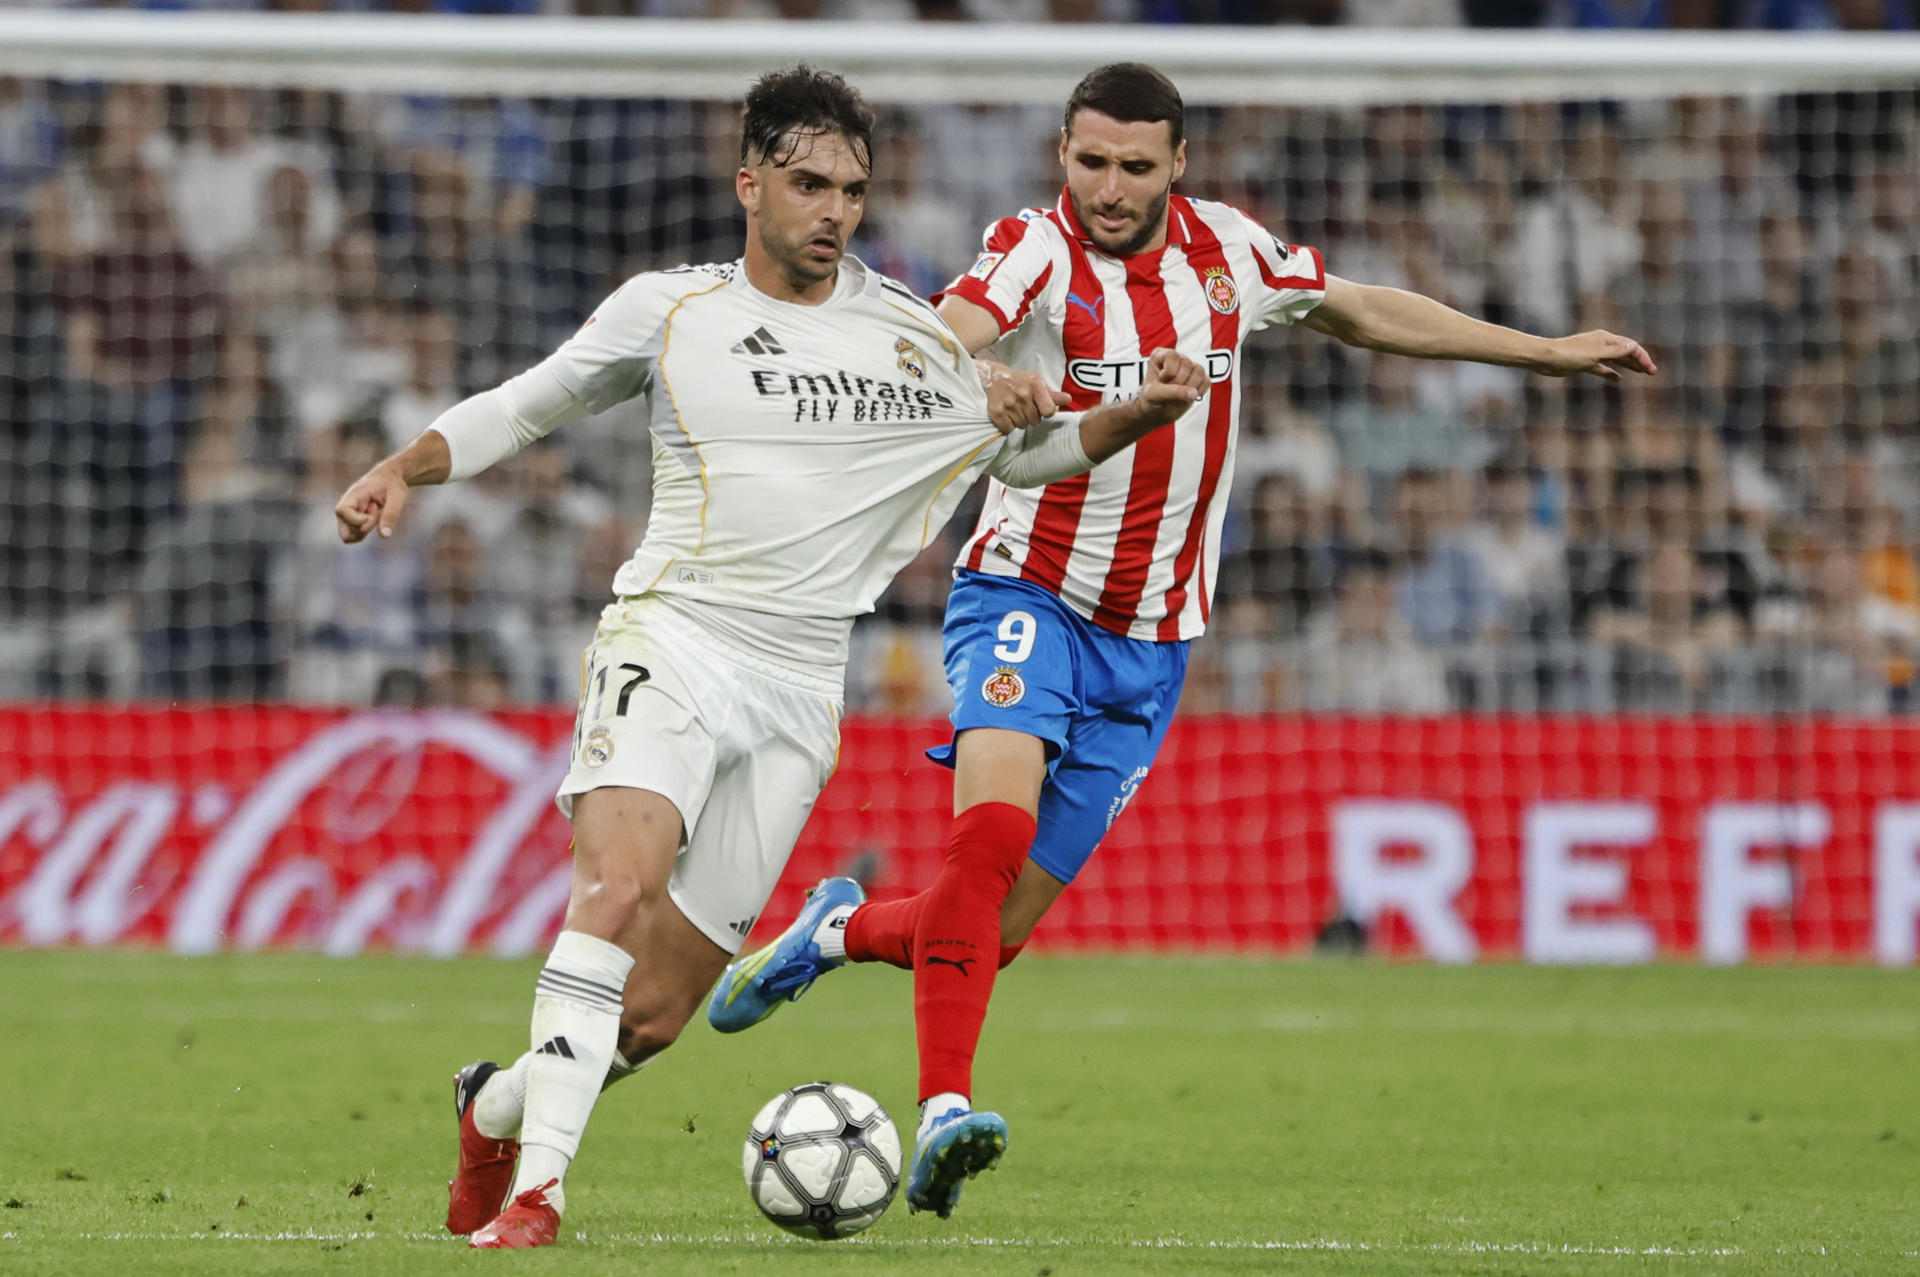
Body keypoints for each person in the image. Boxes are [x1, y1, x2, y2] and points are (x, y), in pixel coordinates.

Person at [707, 61, 1656, 1219]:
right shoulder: (1031, 247)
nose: (1109, 187)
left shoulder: (1231, 256)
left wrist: (1545, 350)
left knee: (986, 932)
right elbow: (938, 336)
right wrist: (989, 369)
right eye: (1090, 161)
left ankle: (836, 929)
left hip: (1153, 644)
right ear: (1063, 154)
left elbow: (1358, 308)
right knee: (990, 836)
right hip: (1027, 592)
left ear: (1179, 165)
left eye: (1135, 166)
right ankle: (945, 1108)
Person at [331, 66, 1206, 1250]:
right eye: (807, 184)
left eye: (851, 188)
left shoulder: (909, 336)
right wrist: (401, 467)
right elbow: (525, 405)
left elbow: (1029, 462)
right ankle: (538, 1195)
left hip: (800, 690)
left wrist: (1127, 419)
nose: (833, 209)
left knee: (650, 1019)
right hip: (674, 636)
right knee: (617, 886)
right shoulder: (670, 307)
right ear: (751, 184)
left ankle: (490, 1108)